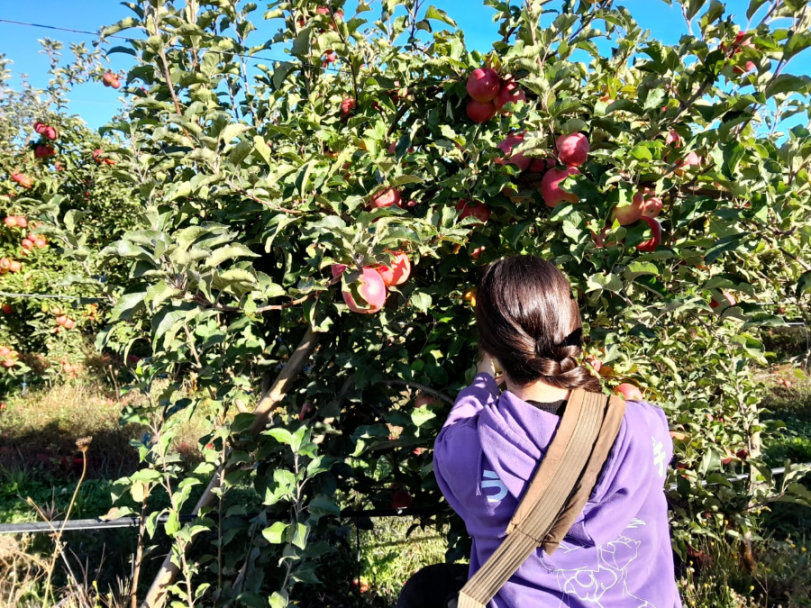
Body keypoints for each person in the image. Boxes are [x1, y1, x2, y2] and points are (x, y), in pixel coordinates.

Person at [432, 255, 682, 607]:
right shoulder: (644, 426)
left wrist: (483, 377)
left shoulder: (467, 451)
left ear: (490, 345)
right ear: (573, 329)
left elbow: (456, 426)